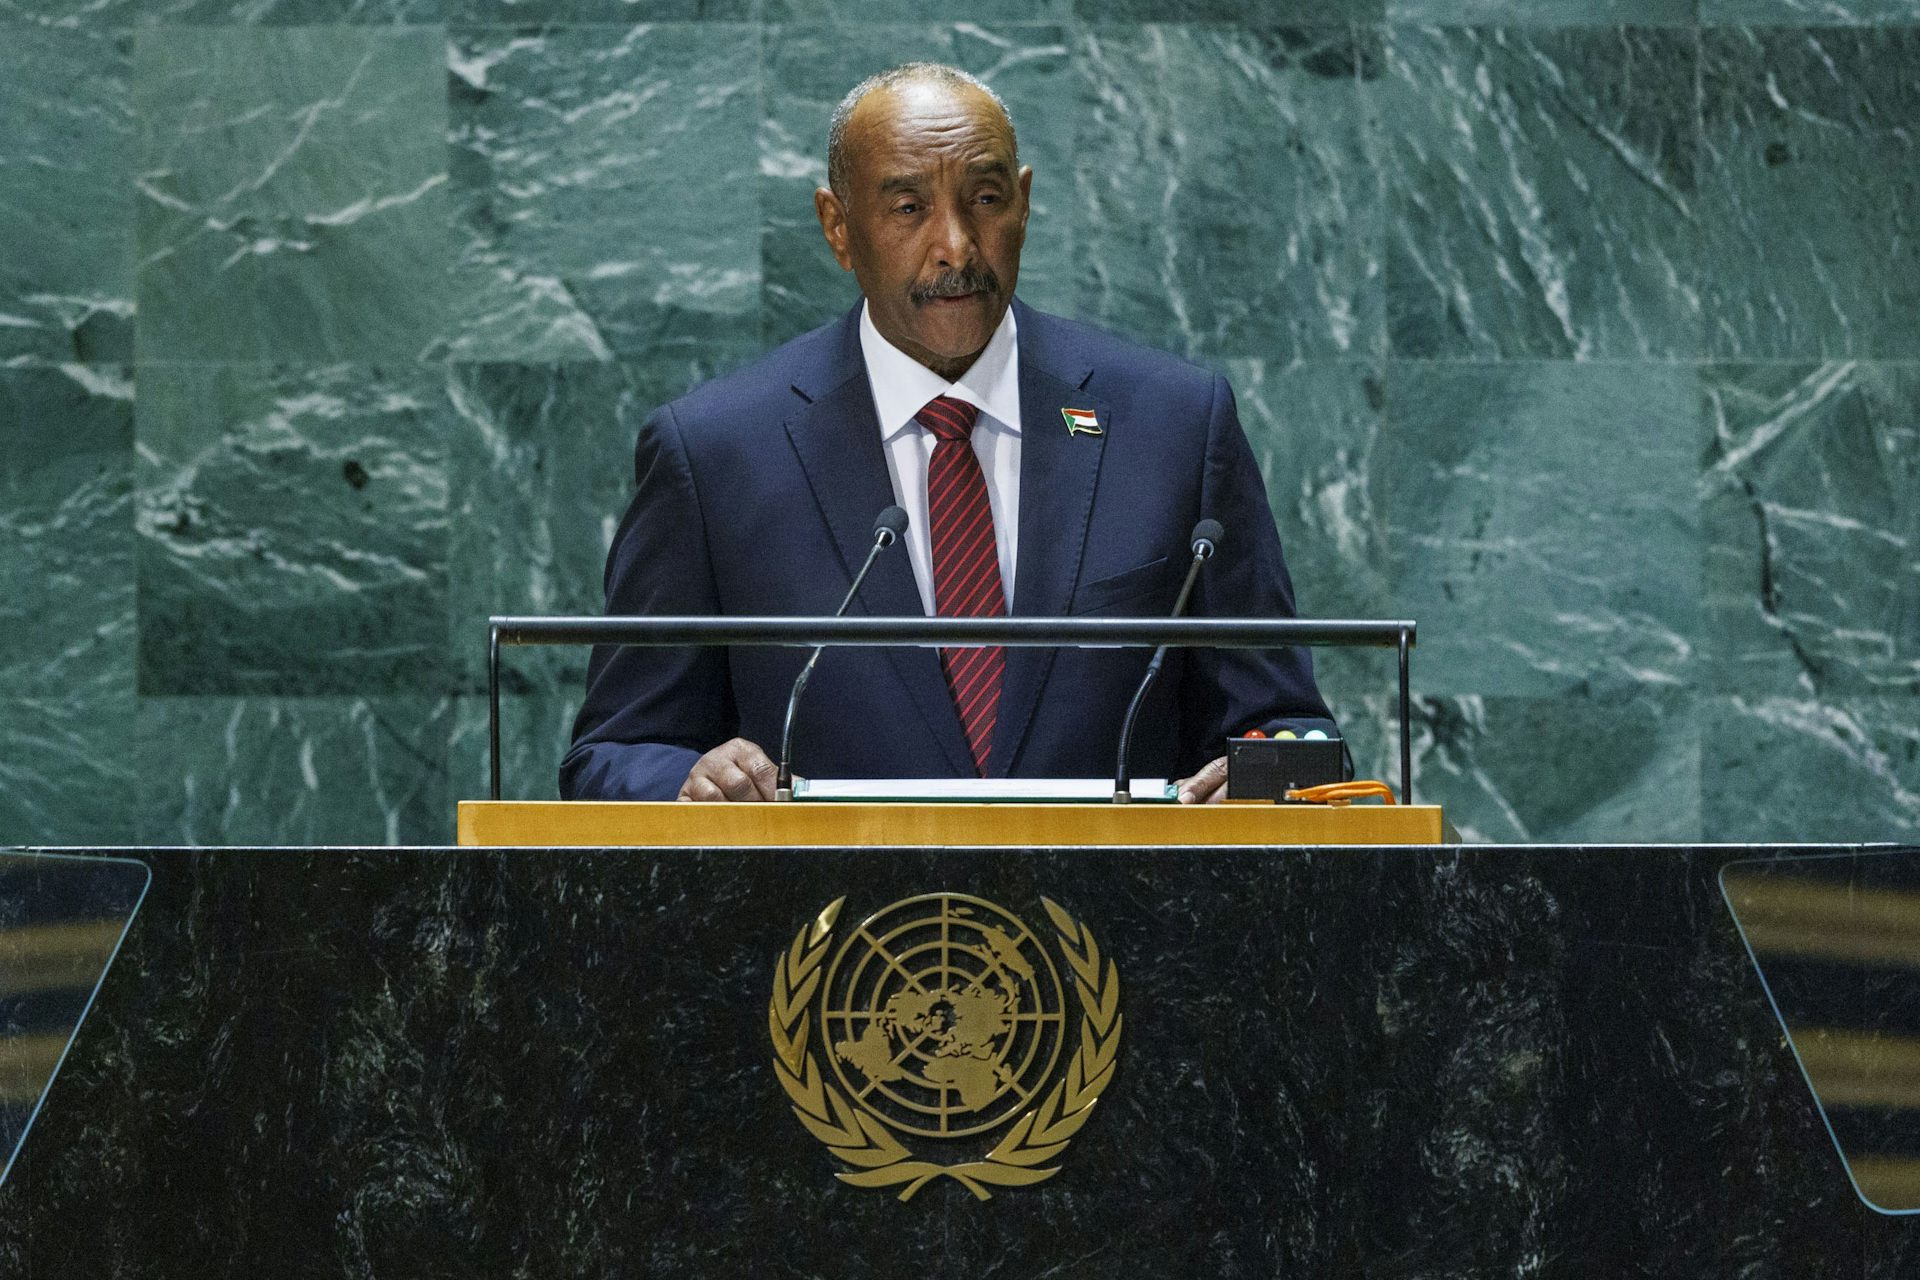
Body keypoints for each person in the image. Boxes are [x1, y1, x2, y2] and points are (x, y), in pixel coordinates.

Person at [561, 62, 1337, 805]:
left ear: (1024, 204)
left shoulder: (1174, 425)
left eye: (986, 199)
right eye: (908, 209)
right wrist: (693, 783)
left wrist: (1269, 781)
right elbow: (616, 751)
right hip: (832, 902)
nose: (957, 247)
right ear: (837, 227)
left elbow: (1287, 728)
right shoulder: (716, 452)